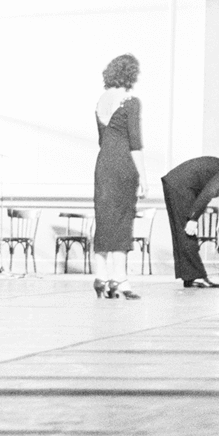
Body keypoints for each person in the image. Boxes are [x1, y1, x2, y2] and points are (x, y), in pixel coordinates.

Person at [92, 54, 145, 299]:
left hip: (103, 164)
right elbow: (135, 143)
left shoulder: (100, 101)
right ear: (131, 75)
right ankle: (121, 280)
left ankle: (101, 277)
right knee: (123, 221)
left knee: (104, 219)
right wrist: (143, 178)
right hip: (123, 164)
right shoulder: (130, 101)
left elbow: (103, 139)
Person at [160, 156, 219, 287]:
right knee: (188, 231)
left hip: (175, 182)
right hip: (181, 184)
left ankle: (190, 276)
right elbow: (207, 193)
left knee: (182, 232)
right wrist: (193, 219)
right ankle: (196, 276)